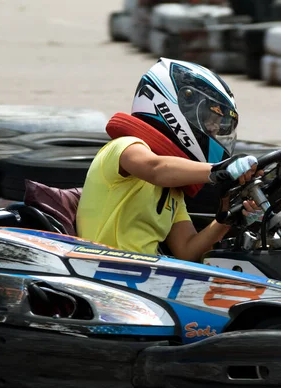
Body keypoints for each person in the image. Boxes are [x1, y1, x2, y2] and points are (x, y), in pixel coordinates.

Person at [76, 58, 263, 262]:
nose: (215, 129)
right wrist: (219, 170)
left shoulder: (173, 191)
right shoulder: (124, 147)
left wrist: (229, 219)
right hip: (102, 270)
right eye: (210, 119)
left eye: (219, 124)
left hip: (142, 277)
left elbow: (187, 251)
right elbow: (155, 169)